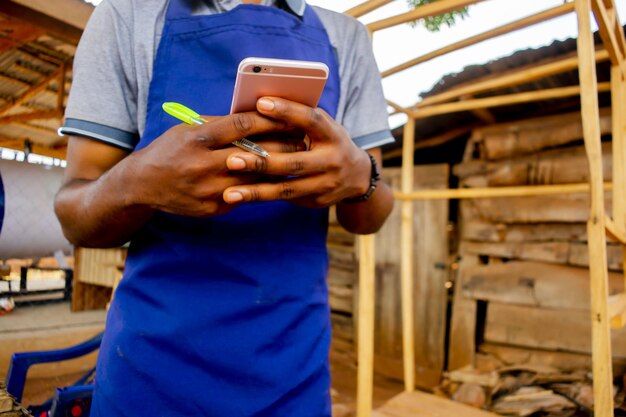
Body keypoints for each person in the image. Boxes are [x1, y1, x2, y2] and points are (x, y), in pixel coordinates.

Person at [54, 0, 394, 415]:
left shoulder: (347, 38)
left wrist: (363, 176)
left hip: (294, 375)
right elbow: (75, 218)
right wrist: (137, 180)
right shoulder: (129, 17)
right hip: (150, 376)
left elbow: (369, 216)